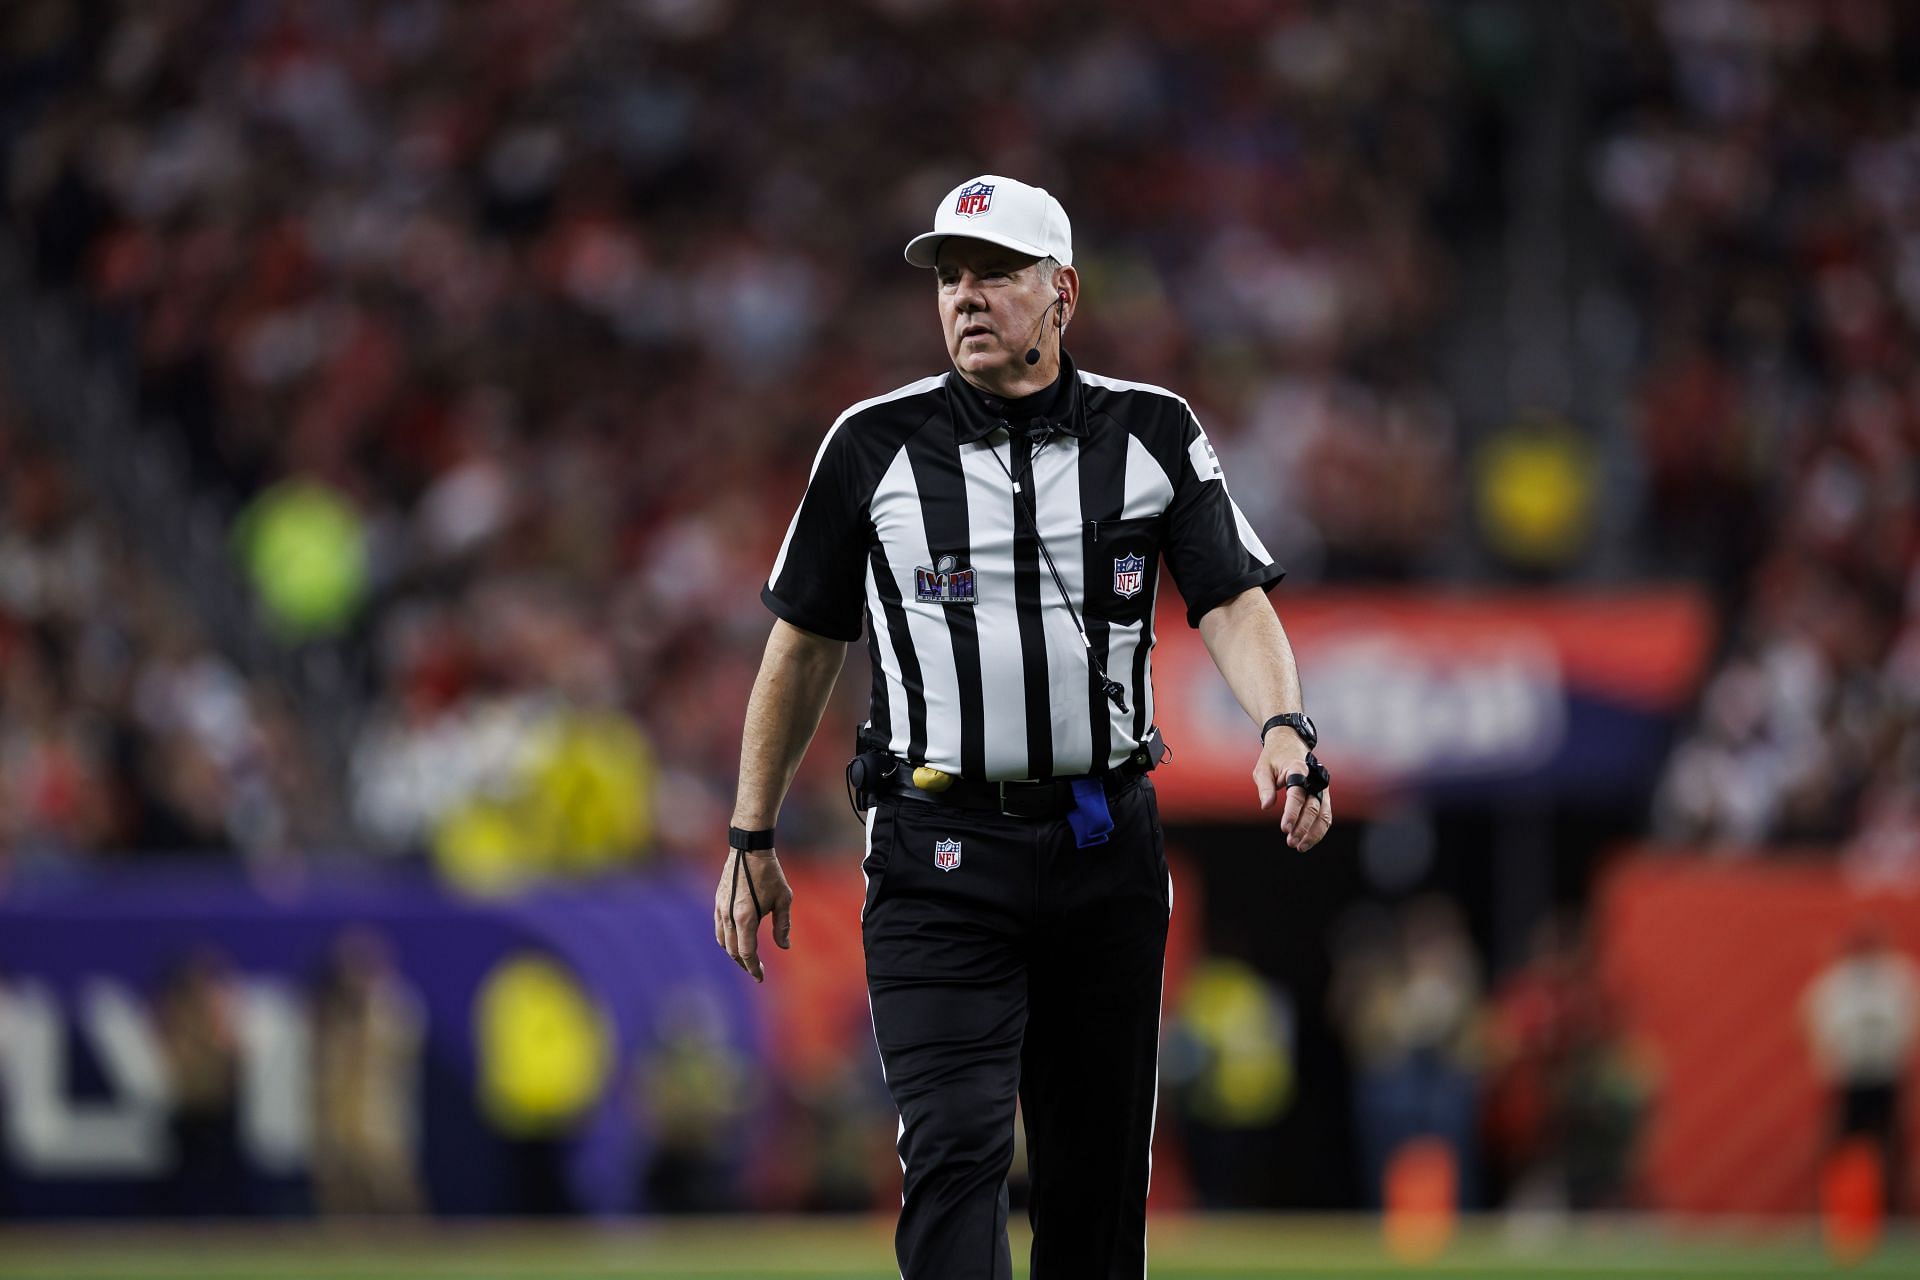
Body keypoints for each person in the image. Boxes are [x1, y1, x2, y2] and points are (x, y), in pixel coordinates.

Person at [714, 174, 1332, 1278]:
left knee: (1096, 1190)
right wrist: (751, 832)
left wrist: (1283, 724)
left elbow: (1232, 596)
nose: (966, 296)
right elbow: (803, 641)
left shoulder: (1151, 432)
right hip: (934, 852)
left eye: (995, 272)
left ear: (1064, 294)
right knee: (953, 1152)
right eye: (951, 276)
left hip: (1102, 848)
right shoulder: (870, 446)